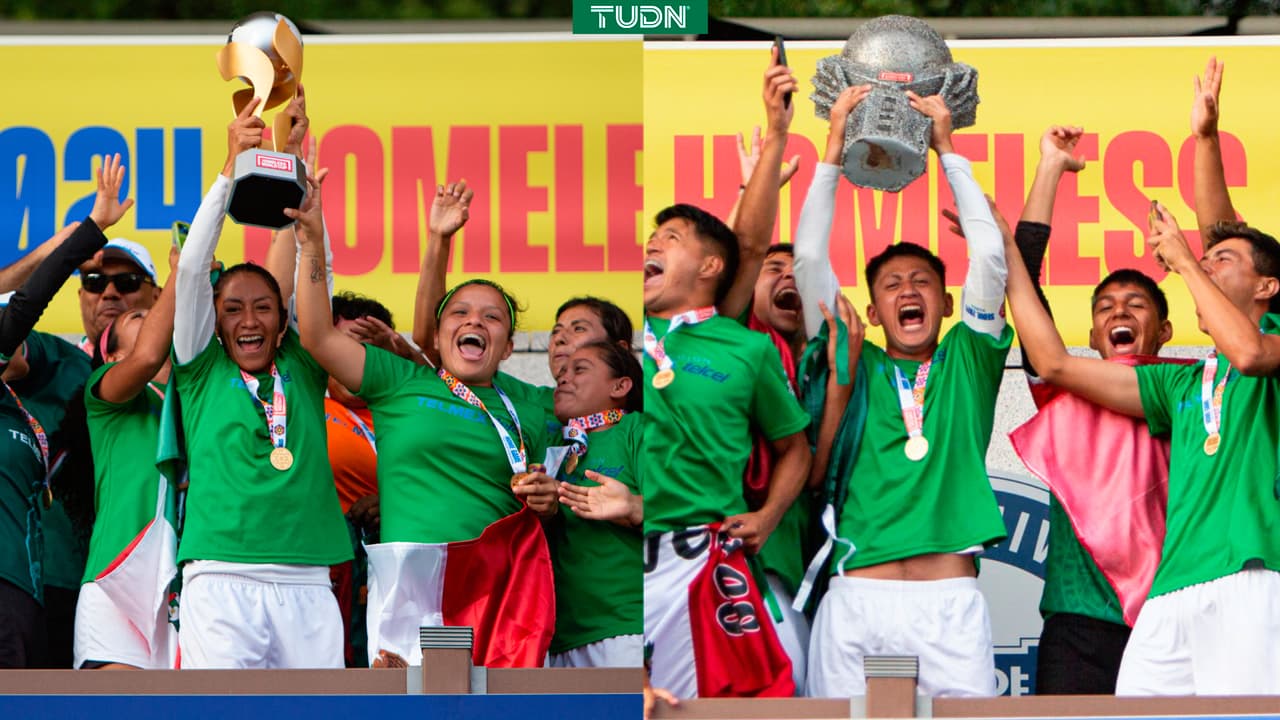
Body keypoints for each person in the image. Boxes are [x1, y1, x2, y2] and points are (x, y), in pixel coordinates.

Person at [1010, 58, 1280, 696]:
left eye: (1222, 261)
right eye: (1204, 260)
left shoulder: (1268, 346)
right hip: (1168, 591)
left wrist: (1187, 259)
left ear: (1269, 287)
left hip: (1251, 570)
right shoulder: (1179, 385)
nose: (1207, 264)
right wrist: (1204, 138)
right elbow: (1052, 362)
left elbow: (1247, 350)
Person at [290, 174, 558, 669]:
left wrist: (549, 501)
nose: (474, 321)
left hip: (500, 593)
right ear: (437, 334)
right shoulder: (401, 379)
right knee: (413, 701)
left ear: (509, 346)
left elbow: (547, 503)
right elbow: (317, 337)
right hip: (413, 589)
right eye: (460, 313)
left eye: (492, 317)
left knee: (494, 705)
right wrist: (310, 242)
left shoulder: (530, 406)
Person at [795, 86, 1011, 698]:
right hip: (857, 594)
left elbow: (990, 259)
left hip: (949, 599)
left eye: (922, 282)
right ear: (873, 310)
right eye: (891, 285)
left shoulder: (967, 360)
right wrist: (834, 144)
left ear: (946, 303)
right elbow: (808, 258)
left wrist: (947, 149)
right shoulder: (852, 357)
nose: (908, 291)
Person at [950, 125, 1177, 694]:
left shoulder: (1190, 391)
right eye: (1105, 308)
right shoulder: (1064, 388)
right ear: (1094, 336)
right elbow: (1024, 281)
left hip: (1167, 613)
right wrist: (1049, 167)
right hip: (1078, 620)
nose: (1118, 313)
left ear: (1165, 331)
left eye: (1135, 305)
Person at [170, 96, 351, 669]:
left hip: (307, 574)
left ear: (281, 319)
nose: (248, 321)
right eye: (233, 309)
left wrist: (294, 173)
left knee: (318, 711)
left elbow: (315, 276)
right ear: (215, 321)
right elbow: (193, 269)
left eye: (264, 308)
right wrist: (231, 168)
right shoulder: (201, 365)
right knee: (222, 710)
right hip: (219, 572)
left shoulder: (303, 359)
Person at [642, 195, 812, 697]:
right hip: (621, 556)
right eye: (652, 239)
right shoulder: (619, 333)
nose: (652, 245)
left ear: (710, 266)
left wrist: (767, 517)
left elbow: (796, 449)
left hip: (703, 560)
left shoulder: (746, 346)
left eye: (671, 239)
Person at [0, 154, 131, 667]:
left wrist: (91, 230)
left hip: (25, 592)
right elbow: (24, 305)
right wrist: (88, 231)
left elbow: (22, 309)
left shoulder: (20, 403)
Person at [411, 180, 633, 408]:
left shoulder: (644, 415)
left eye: (579, 329)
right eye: (556, 331)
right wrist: (439, 238)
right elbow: (432, 340)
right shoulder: (529, 402)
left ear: (620, 351)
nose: (559, 339)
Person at [74, 243, 180, 670]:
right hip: (115, 577)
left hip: (184, 582)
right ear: (113, 356)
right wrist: (183, 272)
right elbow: (149, 355)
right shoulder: (105, 394)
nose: (151, 322)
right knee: (119, 704)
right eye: (139, 319)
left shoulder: (197, 399)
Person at [548, 340, 643, 668]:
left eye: (580, 369)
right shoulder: (552, 447)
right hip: (556, 638)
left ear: (620, 386)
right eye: (562, 371)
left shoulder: (637, 429)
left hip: (626, 627)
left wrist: (635, 506)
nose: (563, 377)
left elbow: (686, 519)